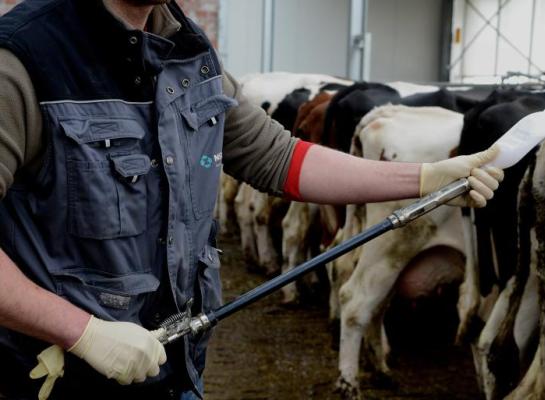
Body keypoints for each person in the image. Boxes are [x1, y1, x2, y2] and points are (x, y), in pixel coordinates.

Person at [0, 0, 503, 399]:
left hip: (174, 373)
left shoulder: (188, 54)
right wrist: (82, 332)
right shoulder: (23, 61)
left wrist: (426, 178)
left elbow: (280, 158)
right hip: (49, 378)